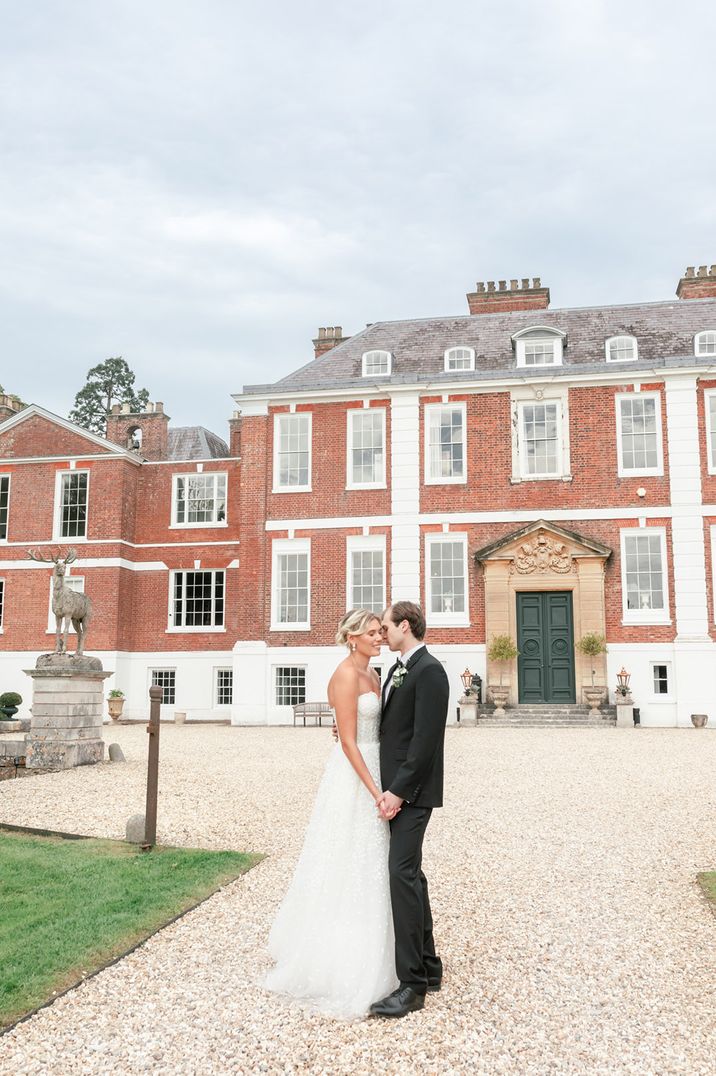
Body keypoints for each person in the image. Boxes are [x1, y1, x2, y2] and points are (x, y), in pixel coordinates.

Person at [264, 609, 399, 1019]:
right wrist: (375, 791)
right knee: (344, 856)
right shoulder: (343, 675)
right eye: (373, 633)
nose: (380, 638)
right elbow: (347, 743)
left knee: (373, 862)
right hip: (355, 776)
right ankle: (336, 954)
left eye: (381, 632)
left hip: (379, 768)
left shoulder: (375, 675)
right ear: (352, 636)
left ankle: (384, 948)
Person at [370, 601, 450, 1018]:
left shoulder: (430, 670)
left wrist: (399, 792)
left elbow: (424, 742)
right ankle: (430, 967)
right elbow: (391, 727)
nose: (381, 632)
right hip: (398, 788)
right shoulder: (400, 667)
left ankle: (412, 986)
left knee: (401, 874)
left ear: (405, 626)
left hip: (414, 793)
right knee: (411, 874)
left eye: (386, 626)